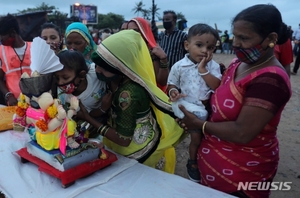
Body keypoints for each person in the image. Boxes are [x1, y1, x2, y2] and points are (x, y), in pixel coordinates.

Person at [176, 4, 291, 198]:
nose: (235, 43)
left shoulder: (270, 80)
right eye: (234, 36)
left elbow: (242, 133)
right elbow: (220, 93)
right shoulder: (240, 62)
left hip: (243, 174)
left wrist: (199, 124)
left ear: (271, 39)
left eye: (244, 38)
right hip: (213, 167)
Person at [77, 30, 184, 173]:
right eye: (96, 65)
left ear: (121, 67)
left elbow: (123, 139)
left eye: (104, 67)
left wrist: (88, 118)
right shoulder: (114, 79)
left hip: (136, 151)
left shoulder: (127, 94)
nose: (97, 71)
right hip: (117, 144)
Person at [167, 23, 222, 182]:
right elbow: (171, 83)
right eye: (199, 45)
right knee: (197, 139)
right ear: (187, 45)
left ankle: (206, 162)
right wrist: (173, 92)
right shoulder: (179, 66)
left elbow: (216, 85)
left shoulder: (213, 66)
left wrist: (203, 69)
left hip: (206, 109)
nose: (205, 51)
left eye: (210, 47)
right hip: (187, 108)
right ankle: (192, 163)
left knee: (209, 140)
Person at [54, 50, 106, 115]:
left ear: (82, 75)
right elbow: (86, 115)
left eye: (65, 78)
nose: (60, 83)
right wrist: (103, 109)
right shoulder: (64, 97)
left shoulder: (95, 73)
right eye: (57, 78)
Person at [127, 17, 169, 91]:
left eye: (136, 30)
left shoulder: (153, 51)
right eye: (129, 31)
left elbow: (161, 82)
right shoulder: (127, 49)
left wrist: (163, 59)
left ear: (145, 31)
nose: (132, 34)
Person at [0, 14, 31, 106]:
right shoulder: (1, 51)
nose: (0, 39)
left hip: (35, 103)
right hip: (14, 105)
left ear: (13, 33)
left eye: (2, 35)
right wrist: (8, 96)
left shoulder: (34, 48)